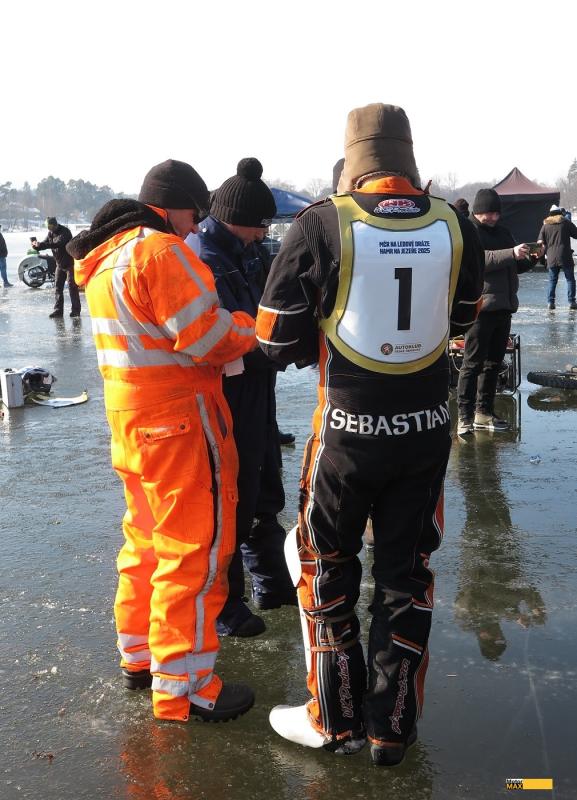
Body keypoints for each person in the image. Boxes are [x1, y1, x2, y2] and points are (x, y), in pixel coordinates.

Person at [256, 103, 484, 765]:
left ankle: (335, 720)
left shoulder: (320, 222)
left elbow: (272, 339)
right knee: (406, 575)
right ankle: (392, 728)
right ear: (408, 158)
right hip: (425, 433)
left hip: (345, 438)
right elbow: (462, 318)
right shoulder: (456, 224)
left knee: (326, 569)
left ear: (352, 160)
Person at [67, 159, 257, 723]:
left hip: (131, 425)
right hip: (180, 425)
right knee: (193, 552)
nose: (196, 226)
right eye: (194, 214)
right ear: (173, 207)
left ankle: (139, 657)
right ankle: (187, 686)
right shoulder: (158, 251)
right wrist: (252, 326)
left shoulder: (105, 260)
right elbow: (207, 337)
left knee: (145, 546)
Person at [195, 158, 296, 638]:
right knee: (230, 496)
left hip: (257, 382)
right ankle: (226, 603)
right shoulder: (204, 259)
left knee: (264, 486)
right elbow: (224, 333)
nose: (264, 234)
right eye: (260, 226)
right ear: (238, 220)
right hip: (227, 390)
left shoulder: (246, 250)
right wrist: (272, 345)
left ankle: (271, 583)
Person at [457, 188, 537, 434]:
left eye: (496, 213)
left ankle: (484, 413)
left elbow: (515, 265)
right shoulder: (469, 231)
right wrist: (510, 253)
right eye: (489, 213)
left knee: (493, 364)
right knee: (472, 364)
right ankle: (464, 416)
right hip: (480, 310)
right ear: (478, 211)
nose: (493, 218)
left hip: (503, 308)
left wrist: (533, 257)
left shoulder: (503, 232)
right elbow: (480, 260)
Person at [33, 217, 80, 317]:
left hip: (70, 264)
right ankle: (58, 310)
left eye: (50, 227)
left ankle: (76, 310)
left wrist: (45, 245)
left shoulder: (65, 231)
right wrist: (37, 245)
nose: (49, 229)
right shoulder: (50, 233)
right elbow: (45, 243)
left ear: (55, 225)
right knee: (58, 288)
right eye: (47, 227)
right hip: (59, 265)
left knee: (72, 287)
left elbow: (58, 244)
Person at [538, 204, 577, 310]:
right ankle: (572, 301)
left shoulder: (545, 226)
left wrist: (541, 258)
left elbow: (540, 243)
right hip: (565, 256)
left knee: (552, 280)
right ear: (560, 213)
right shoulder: (565, 223)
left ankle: (550, 302)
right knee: (570, 279)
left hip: (551, 257)